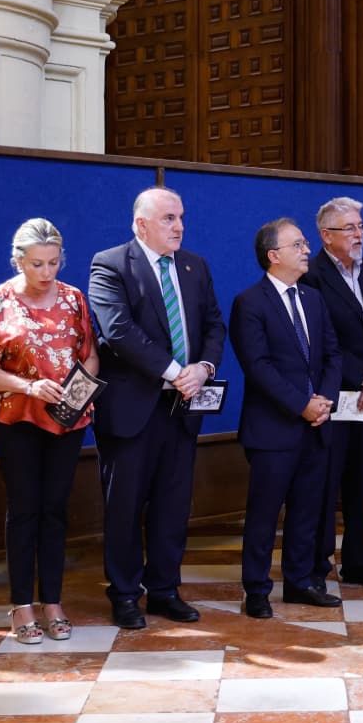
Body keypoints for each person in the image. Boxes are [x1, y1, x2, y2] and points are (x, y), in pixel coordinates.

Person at [88, 187, 226, 629]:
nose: (179, 226)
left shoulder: (194, 266)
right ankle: (125, 594)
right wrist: (174, 371)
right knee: (125, 506)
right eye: (168, 218)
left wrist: (202, 368)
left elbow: (213, 324)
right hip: (132, 409)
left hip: (183, 408)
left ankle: (165, 589)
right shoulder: (109, 264)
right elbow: (119, 332)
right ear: (141, 223)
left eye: (181, 217)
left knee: (172, 505)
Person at [0, 218, 99, 643]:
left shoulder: (75, 299)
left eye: (54, 263)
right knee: (24, 508)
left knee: (56, 509)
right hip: (16, 417)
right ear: (18, 261)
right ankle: (22, 606)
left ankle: (53, 601)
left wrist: (74, 396)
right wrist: (27, 386)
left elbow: (91, 356)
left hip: (67, 420)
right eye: (37, 264)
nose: (46, 273)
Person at [231, 219, 343, 617]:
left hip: (316, 424)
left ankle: (300, 582)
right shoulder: (250, 302)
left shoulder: (313, 298)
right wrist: (302, 404)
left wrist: (325, 399)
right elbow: (258, 367)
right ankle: (257, 589)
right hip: (273, 428)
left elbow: (332, 353)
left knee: (307, 510)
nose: (306, 250)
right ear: (273, 255)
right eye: (297, 244)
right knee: (264, 514)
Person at [300, 197, 363, 591]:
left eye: (362, 227)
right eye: (350, 228)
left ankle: (360, 562)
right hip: (333, 395)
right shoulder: (311, 276)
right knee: (325, 485)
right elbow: (321, 342)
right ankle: (317, 566)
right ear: (326, 235)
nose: (359, 234)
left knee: (362, 484)